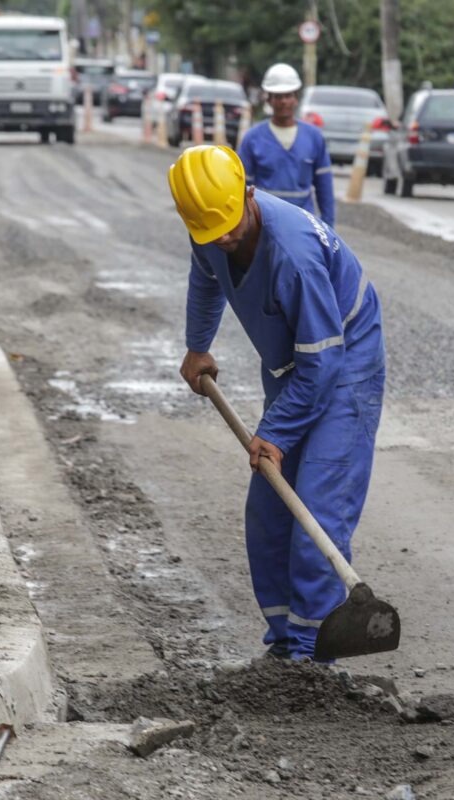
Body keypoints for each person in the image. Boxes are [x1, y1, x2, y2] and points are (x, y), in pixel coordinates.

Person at [169, 145, 385, 662]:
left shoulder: (293, 254)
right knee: (268, 508)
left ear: (248, 193)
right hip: (293, 362)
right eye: (210, 231)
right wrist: (198, 345)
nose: (222, 238)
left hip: (342, 360)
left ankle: (313, 657)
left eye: (229, 225)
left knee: (316, 505)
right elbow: (207, 275)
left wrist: (278, 431)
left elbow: (325, 364)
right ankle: (287, 641)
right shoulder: (211, 219)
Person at [237, 63, 335, 227]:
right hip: (265, 224)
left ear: (296, 98)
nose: (283, 101)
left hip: (303, 224)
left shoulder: (314, 137)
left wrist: (329, 228)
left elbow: (324, 186)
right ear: (269, 99)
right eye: (277, 96)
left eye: (288, 95)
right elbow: (242, 189)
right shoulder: (253, 138)